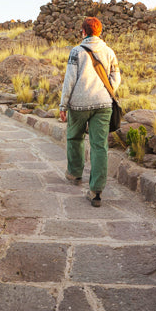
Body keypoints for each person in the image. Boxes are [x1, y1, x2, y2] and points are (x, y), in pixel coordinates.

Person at [58, 16, 121, 207]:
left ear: (83, 32)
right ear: (100, 32)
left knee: (74, 137)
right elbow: (116, 78)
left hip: (79, 105)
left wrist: (63, 105)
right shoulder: (109, 52)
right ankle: (96, 191)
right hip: (103, 105)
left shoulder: (76, 51)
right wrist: (106, 91)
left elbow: (69, 80)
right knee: (99, 146)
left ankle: (75, 174)